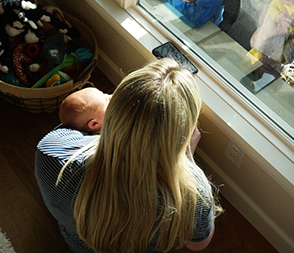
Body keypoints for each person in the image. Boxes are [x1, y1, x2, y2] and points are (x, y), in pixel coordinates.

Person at [35, 58, 220, 253]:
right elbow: (197, 244)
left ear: (115, 110)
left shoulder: (52, 150)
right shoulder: (194, 196)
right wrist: (187, 157)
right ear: (181, 133)